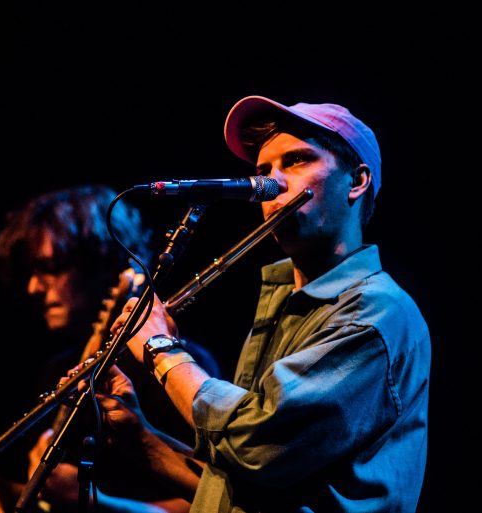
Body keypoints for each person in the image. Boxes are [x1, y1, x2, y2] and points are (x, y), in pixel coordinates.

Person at [106, 96, 432, 512]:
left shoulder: (375, 313)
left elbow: (256, 444)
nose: (271, 185)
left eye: (296, 161)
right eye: (262, 171)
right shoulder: (282, 300)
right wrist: (143, 440)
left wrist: (161, 349)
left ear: (357, 181)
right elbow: (239, 482)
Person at [0, 184, 221, 513]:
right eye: (33, 272)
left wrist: (95, 503)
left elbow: (215, 499)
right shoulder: (58, 368)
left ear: (102, 264)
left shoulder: (175, 370)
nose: (33, 287)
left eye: (51, 268)